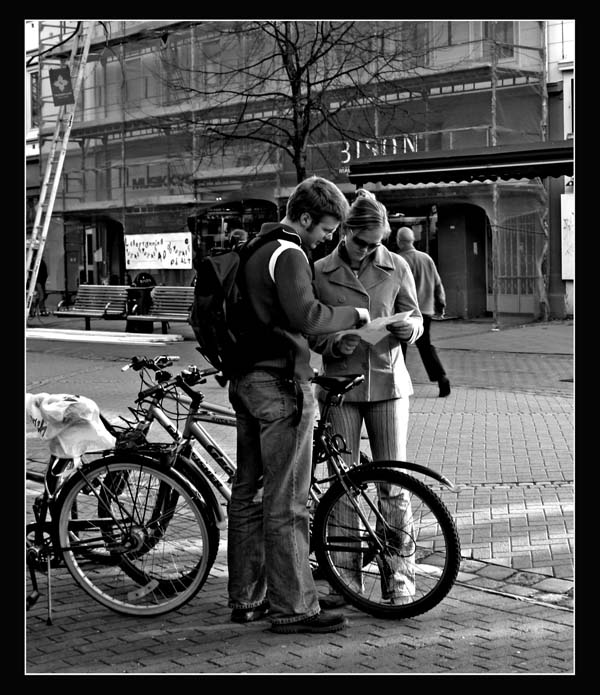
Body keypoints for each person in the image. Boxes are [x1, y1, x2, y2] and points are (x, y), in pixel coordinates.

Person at [226, 175, 370, 635]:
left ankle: (248, 598)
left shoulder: (255, 248)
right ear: (305, 217)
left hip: (246, 380)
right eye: (326, 229)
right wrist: (357, 315)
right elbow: (306, 316)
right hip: (281, 385)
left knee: (248, 493)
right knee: (287, 500)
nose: (328, 238)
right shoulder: (288, 253)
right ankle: (294, 605)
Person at [311, 189, 423, 608]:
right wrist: (330, 343)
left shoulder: (395, 265)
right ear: (345, 231)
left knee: (393, 485)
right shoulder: (320, 269)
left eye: (376, 242)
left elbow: (414, 316)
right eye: (362, 242)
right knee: (343, 487)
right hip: (340, 387)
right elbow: (312, 327)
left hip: (389, 386)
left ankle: (400, 576)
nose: (369, 250)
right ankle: (345, 578)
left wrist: (408, 330)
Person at [391, 227, 451, 397]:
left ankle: (397, 383)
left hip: (403, 313)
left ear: (399, 241)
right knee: (425, 346)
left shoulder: (397, 260)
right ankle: (441, 378)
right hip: (425, 311)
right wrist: (441, 304)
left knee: (399, 347)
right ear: (412, 240)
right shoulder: (426, 258)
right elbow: (438, 283)